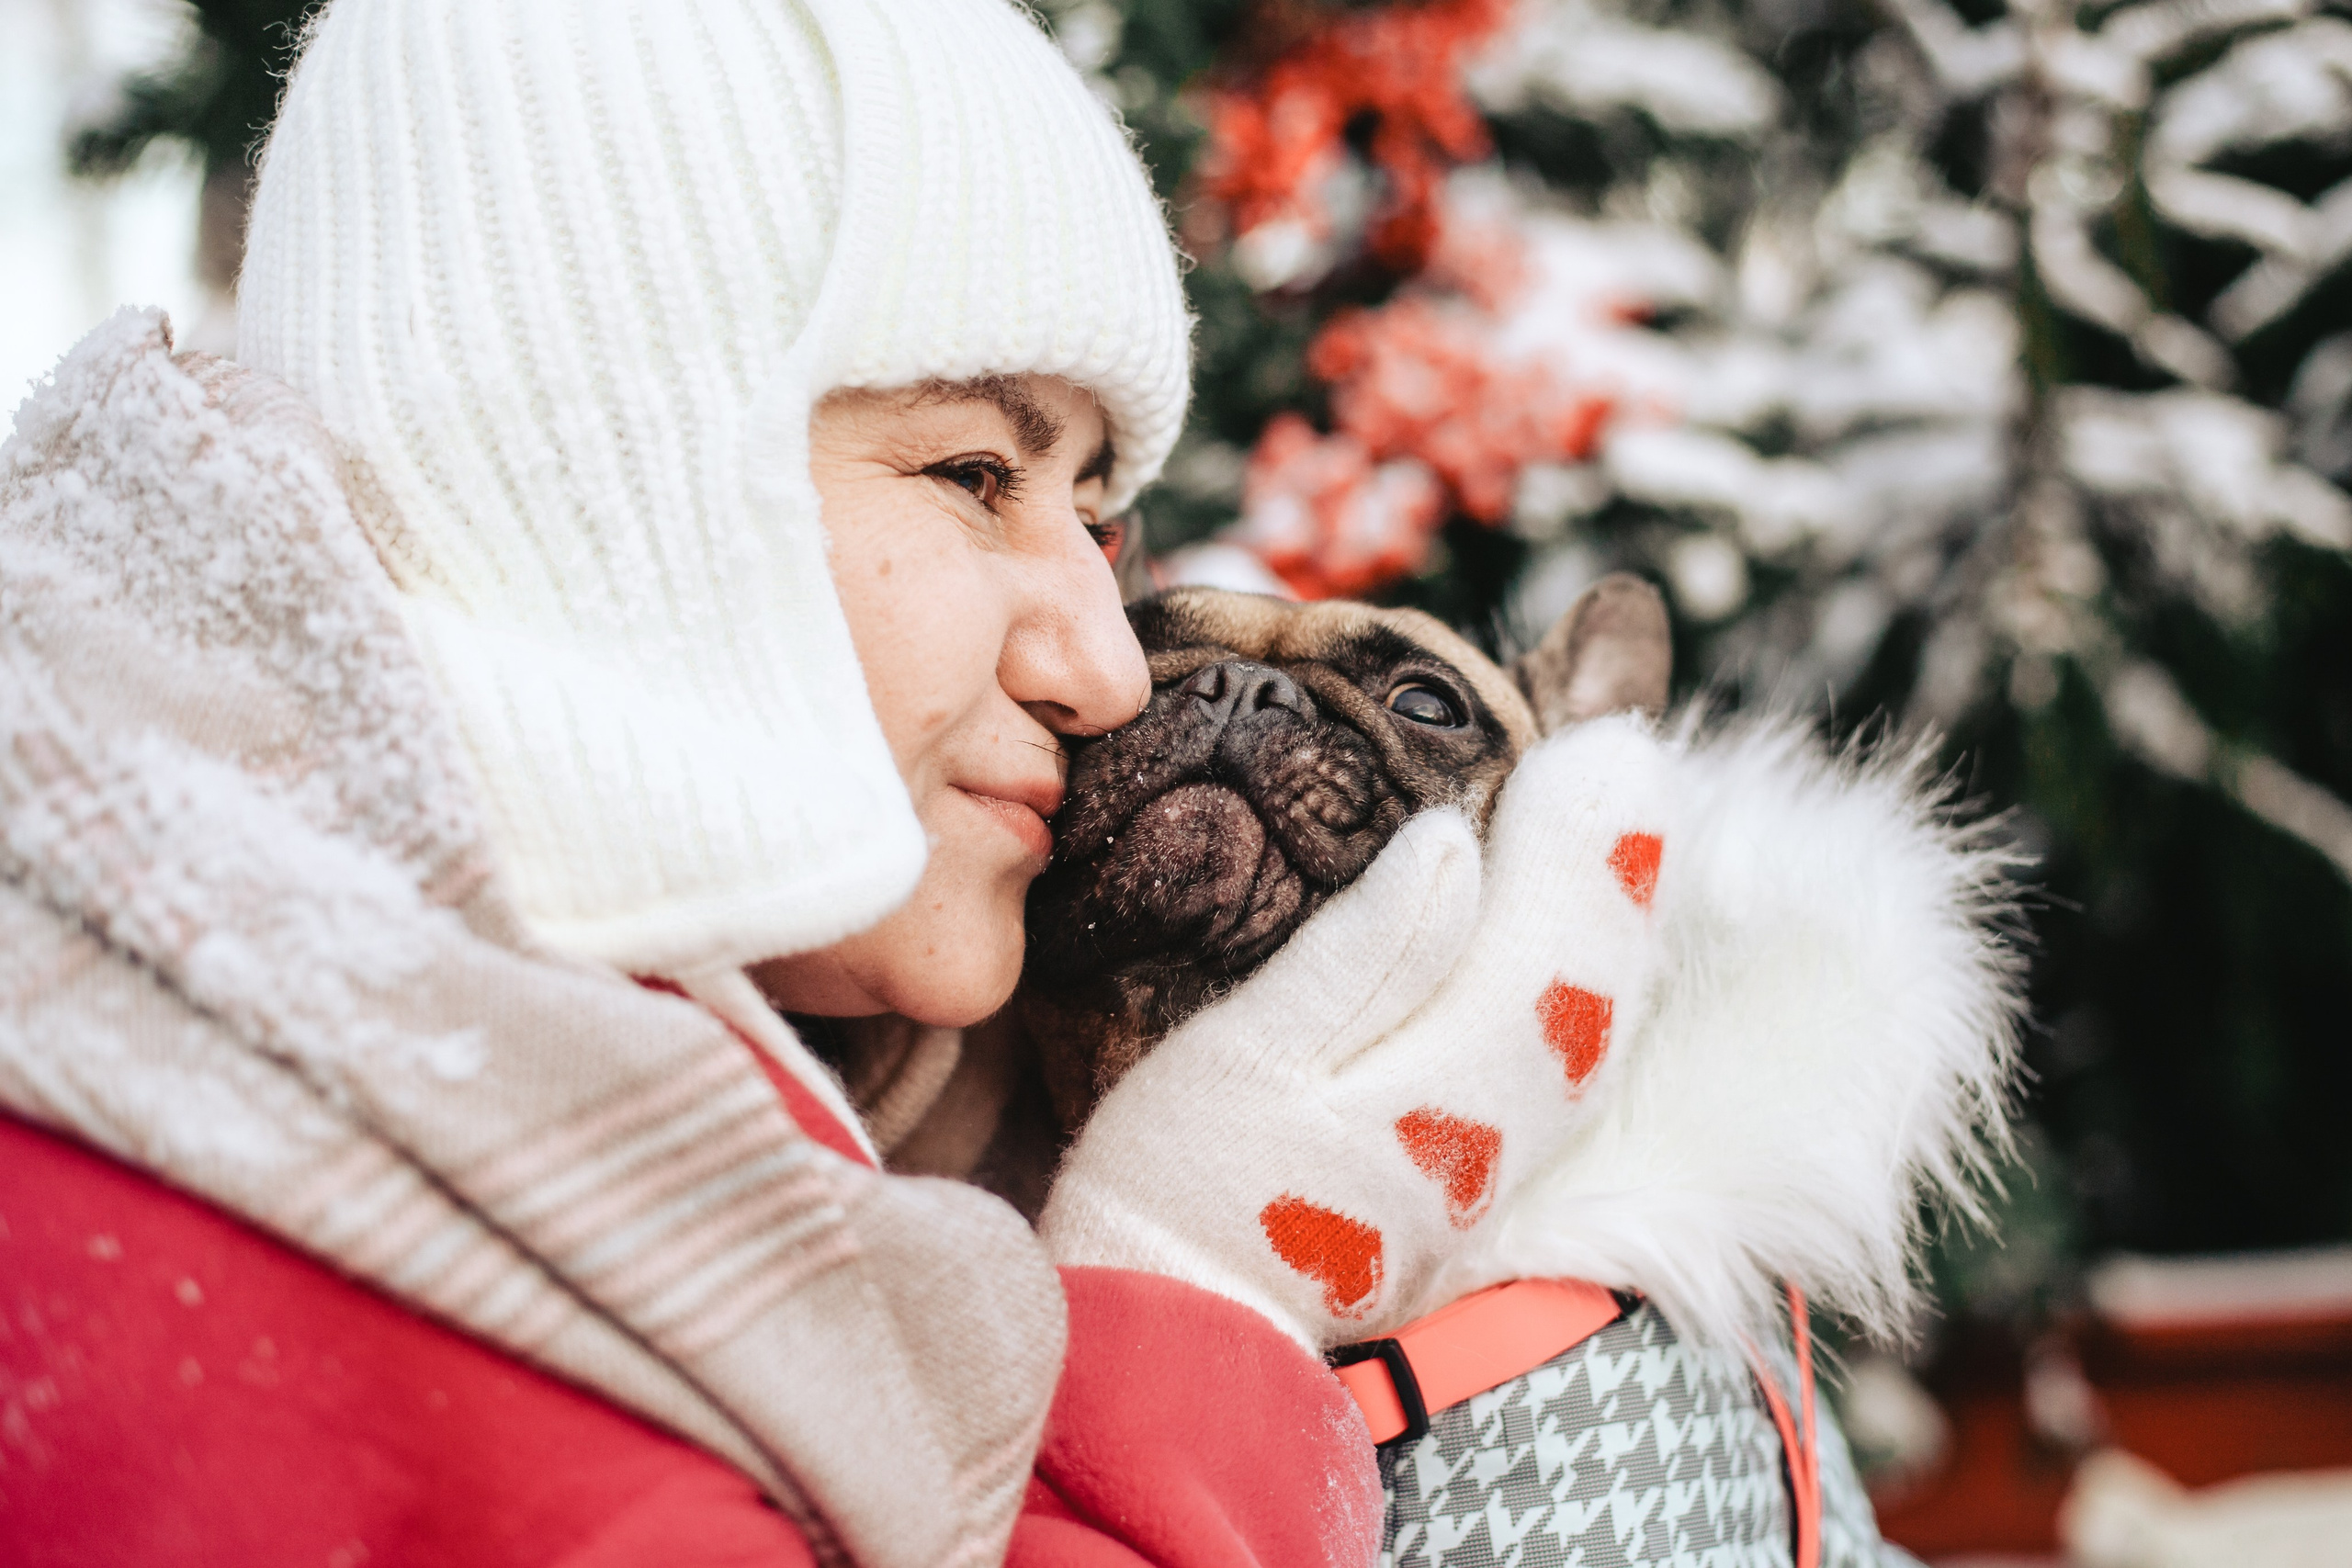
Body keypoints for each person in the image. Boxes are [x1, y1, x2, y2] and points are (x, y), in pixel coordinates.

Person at [0, 0, 1396, 1562]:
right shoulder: (288, 1245)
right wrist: (1221, 1279)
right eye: (974, 477)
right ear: (591, 477)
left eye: (1096, 516)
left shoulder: (451, 1107)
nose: (1108, 664)